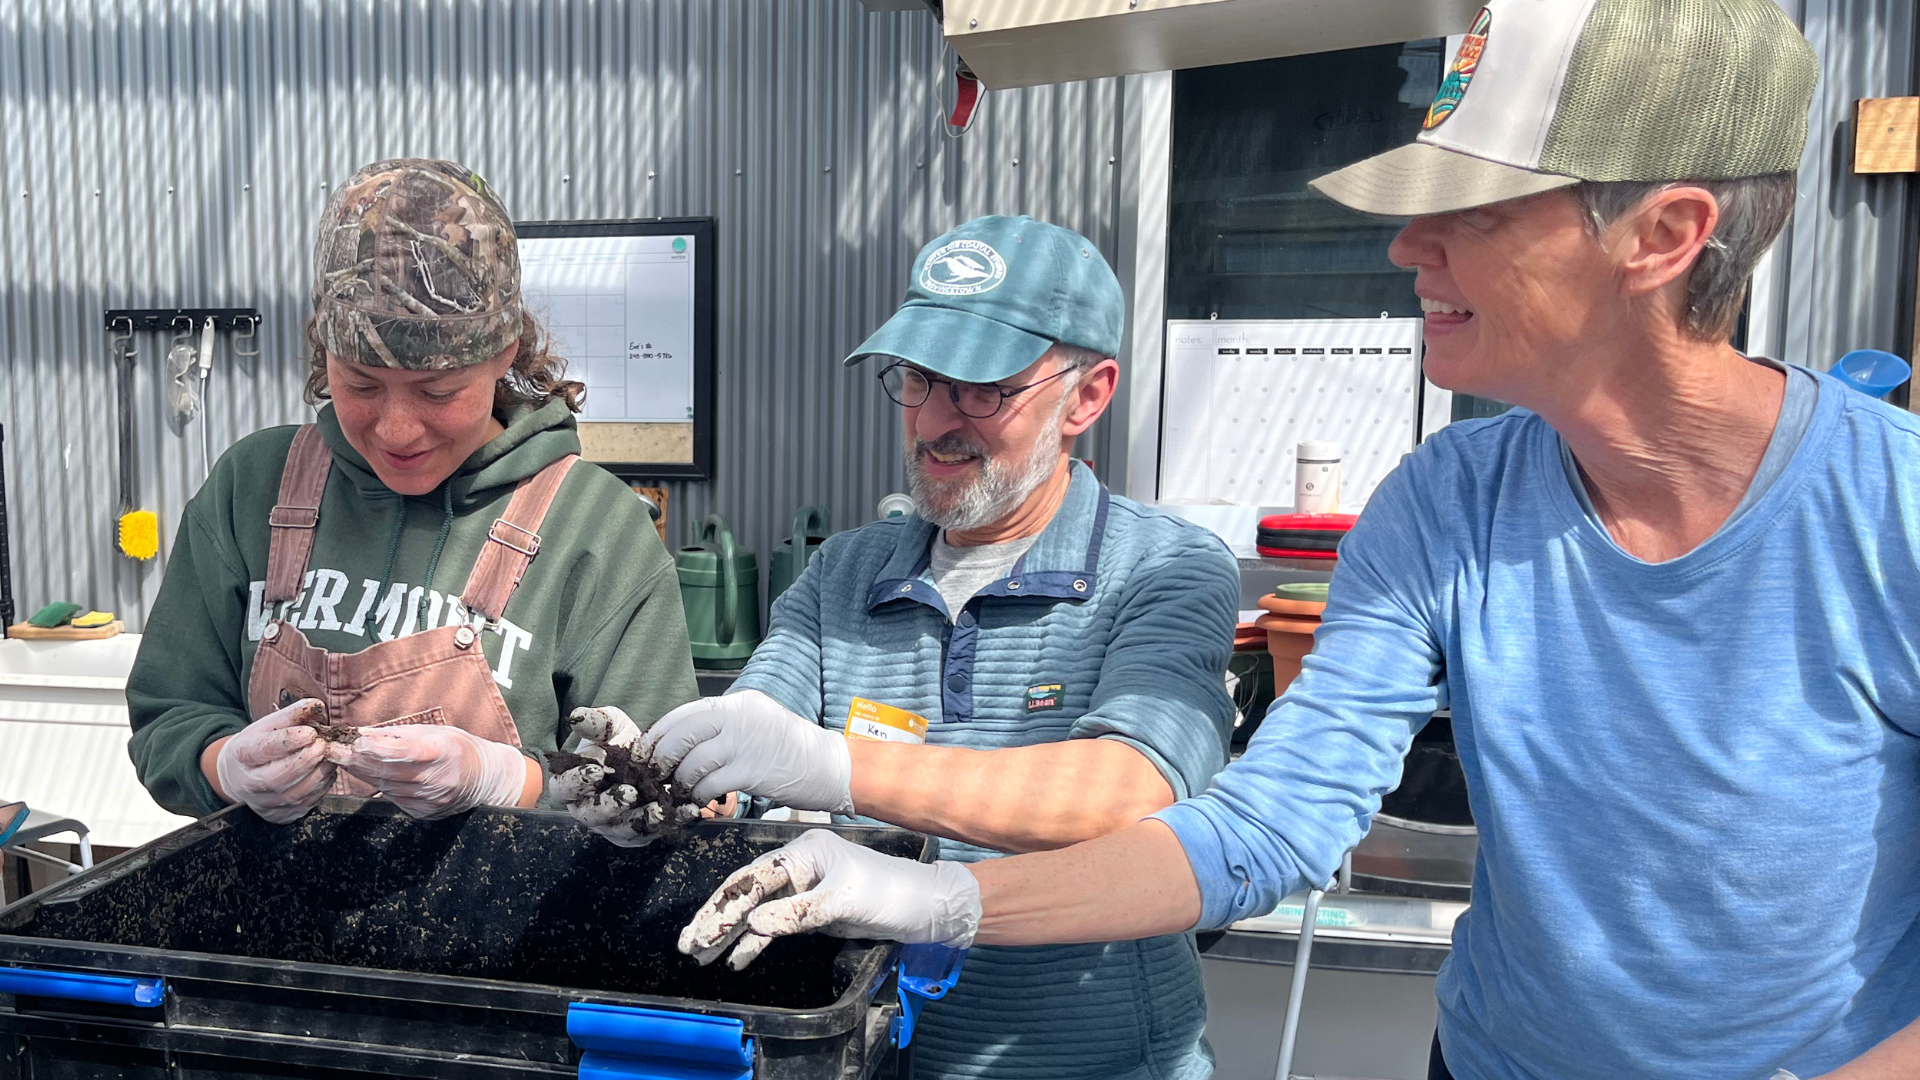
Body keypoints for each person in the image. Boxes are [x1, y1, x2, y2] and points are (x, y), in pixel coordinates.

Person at [676, 3, 1920, 1079]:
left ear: (1661, 234)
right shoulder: (1448, 505)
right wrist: (936, 895)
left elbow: (1135, 784)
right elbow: (1268, 827)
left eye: (1470, 208)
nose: (1405, 248)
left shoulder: (1891, 513)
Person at [558, 215, 1241, 1080]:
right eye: (918, 379)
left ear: (1088, 395)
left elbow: (1126, 790)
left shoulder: (1166, 568)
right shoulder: (847, 571)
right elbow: (759, 717)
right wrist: (667, 777)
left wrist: (833, 766)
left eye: (981, 388)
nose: (932, 422)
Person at [128, 158, 697, 825]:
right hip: (276, 920)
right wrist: (222, 765)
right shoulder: (254, 487)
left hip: (504, 926)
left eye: (438, 391)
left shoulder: (596, 529)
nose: (397, 429)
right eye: (361, 384)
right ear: (324, 353)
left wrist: (506, 780)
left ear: (504, 353)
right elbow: (167, 715)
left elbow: (656, 794)